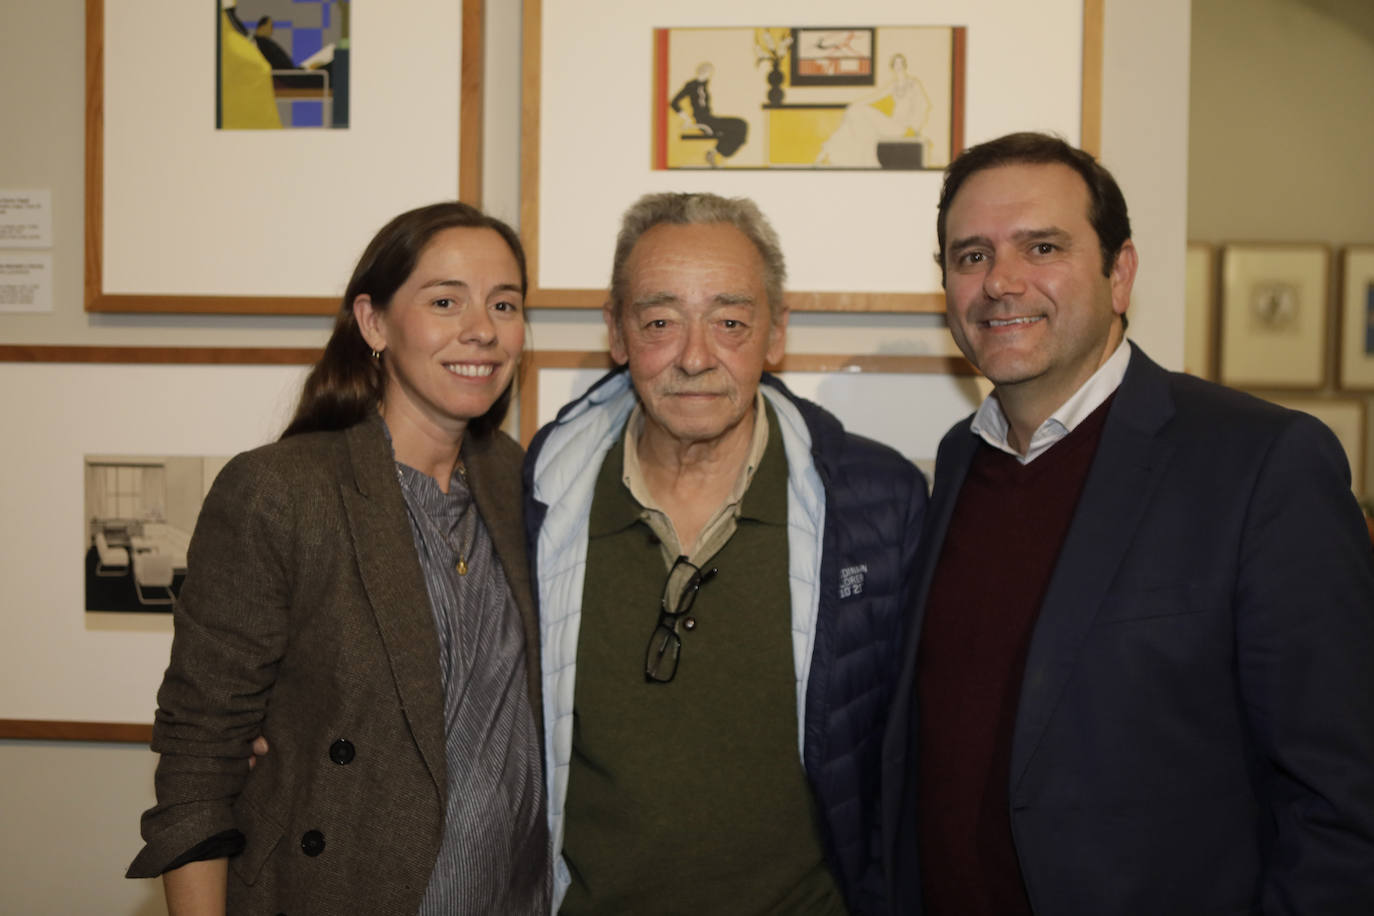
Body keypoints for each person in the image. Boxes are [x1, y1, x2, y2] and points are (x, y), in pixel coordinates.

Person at [880, 131, 1374, 914]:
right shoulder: (959, 462)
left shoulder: (1260, 464)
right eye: (970, 255)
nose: (1001, 282)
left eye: (1041, 246)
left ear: (1121, 273)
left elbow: (1344, 801)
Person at [127, 202, 549, 915]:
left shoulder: (521, 483)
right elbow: (201, 755)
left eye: (503, 304)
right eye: (445, 301)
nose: (482, 328)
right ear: (374, 322)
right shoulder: (282, 491)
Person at [525, 191, 927, 914]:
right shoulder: (531, 503)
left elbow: (923, 753)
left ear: (776, 334)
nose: (695, 357)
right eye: (659, 322)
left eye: (731, 322)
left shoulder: (877, 504)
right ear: (617, 334)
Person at [814, 54, 932, 169]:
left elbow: (924, 105)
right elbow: (875, 97)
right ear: (892, 66)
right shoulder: (893, 85)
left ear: (904, 64)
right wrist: (856, 103)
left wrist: (914, 128)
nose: (898, 65)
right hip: (893, 124)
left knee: (858, 113)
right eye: (896, 63)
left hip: (904, 128)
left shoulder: (913, 83)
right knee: (856, 111)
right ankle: (830, 151)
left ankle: (827, 152)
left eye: (900, 62)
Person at [670, 63, 749, 167]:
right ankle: (715, 152)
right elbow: (674, 102)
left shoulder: (704, 84)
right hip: (704, 121)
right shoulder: (691, 85)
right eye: (708, 72)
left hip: (710, 119)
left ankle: (714, 152)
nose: (710, 75)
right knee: (740, 125)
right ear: (702, 71)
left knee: (741, 125)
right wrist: (687, 119)